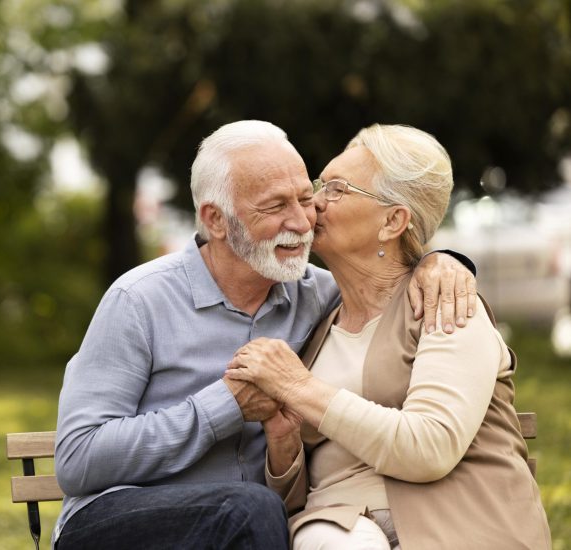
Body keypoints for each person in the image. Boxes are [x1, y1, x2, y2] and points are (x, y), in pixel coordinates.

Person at [54, 120, 477, 549]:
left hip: (255, 529)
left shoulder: (321, 296)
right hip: (123, 521)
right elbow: (77, 458)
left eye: (304, 198)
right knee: (248, 510)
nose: (301, 221)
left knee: (253, 512)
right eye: (275, 206)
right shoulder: (138, 300)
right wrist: (225, 405)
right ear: (215, 219)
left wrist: (440, 261)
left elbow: (385, 275)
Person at [226, 124, 552, 550]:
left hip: (458, 526)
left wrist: (299, 388)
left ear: (393, 221)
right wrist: (285, 444)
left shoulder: (446, 305)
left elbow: (429, 447)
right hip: (338, 528)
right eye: (320, 185)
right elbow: (291, 503)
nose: (314, 202)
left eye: (337, 189)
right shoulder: (316, 321)